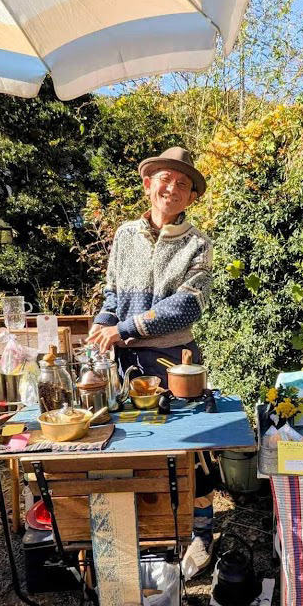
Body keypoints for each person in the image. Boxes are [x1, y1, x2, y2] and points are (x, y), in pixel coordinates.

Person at [87, 146, 215, 577]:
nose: (173, 189)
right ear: (148, 184)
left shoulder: (198, 244)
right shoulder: (125, 235)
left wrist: (122, 330)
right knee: (132, 446)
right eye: (166, 179)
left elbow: (187, 306)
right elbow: (112, 294)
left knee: (192, 449)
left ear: (191, 198)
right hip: (125, 366)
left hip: (172, 363)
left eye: (183, 184)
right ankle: (149, 529)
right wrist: (101, 324)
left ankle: (201, 532)